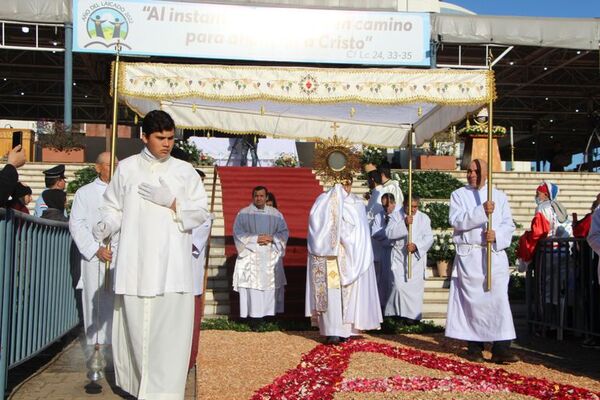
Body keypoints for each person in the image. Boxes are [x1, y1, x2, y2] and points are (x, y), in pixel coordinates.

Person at [93, 110, 209, 399]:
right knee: (136, 334)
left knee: (169, 339)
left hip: (172, 269)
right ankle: (143, 389)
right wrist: (107, 223)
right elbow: (113, 206)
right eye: (160, 138)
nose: (167, 144)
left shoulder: (185, 171)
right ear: (144, 137)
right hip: (136, 263)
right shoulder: (128, 169)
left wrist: (173, 203)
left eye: (170, 138)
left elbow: (200, 213)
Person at [445, 159, 519, 364]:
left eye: (475, 171)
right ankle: (474, 347)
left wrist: (496, 235)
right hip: (471, 257)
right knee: (472, 304)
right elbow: (457, 220)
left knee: (499, 301)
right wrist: (481, 211)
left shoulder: (499, 196)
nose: (471, 175)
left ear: (485, 172)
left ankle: (501, 347)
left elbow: (508, 225)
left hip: (493, 256)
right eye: (468, 171)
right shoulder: (458, 195)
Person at [305, 179, 382, 344]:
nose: (344, 187)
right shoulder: (324, 200)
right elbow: (316, 225)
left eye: (347, 183)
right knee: (331, 293)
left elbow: (360, 232)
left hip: (350, 256)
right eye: (341, 183)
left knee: (348, 294)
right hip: (330, 255)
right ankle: (332, 330)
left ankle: (347, 330)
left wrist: (347, 237)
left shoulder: (357, 203)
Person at [69, 152, 118, 354]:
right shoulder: (85, 193)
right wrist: (94, 249)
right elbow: (77, 224)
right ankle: (96, 348)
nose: (114, 168)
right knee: (95, 300)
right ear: (98, 167)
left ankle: (117, 347)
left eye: (117, 164)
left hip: (120, 254)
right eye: (109, 164)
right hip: (95, 257)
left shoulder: (124, 191)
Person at [232, 186, 288, 328]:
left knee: (269, 285)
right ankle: (254, 319)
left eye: (262, 196)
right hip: (251, 255)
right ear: (253, 197)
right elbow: (238, 232)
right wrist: (256, 238)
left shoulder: (276, 214)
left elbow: (284, 232)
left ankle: (269, 317)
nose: (259, 198)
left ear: (266, 196)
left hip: (269, 254)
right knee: (253, 287)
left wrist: (273, 238)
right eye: (256, 196)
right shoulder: (243, 213)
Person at [377, 194, 433, 323]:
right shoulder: (395, 216)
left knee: (414, 289)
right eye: (410, 206)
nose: (413, 210)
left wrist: (416, 246)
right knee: (398, 286)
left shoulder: (424, 218)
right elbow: (389, 233)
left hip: (415, 259)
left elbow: (429, 238)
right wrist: (404, 224)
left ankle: (412, 317)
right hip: (399, 257)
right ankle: (396, 314)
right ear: (404, 204)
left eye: (415, 207)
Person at [516, 181, 572, 270]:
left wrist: (526, 239)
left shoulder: (542, 208)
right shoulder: (560, 207)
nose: (536, 196)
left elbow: (538, 232)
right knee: (563, 281)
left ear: (546, 194)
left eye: (538, 193)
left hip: (548, 251)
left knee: (547, 281)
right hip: (563, 250)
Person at [189, 169, 212, 370]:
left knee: (190, 324)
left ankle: (188, 361)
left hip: (189, 273)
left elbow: (194, 243)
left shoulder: (203, 211)